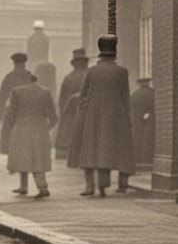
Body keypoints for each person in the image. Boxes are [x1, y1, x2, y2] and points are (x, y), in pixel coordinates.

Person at [67, 35, 135, 196]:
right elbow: (125, 95)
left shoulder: (92, 72)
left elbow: (83, 95)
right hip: (117, 113)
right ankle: (117, 184)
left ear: (100, 54)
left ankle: (90, 187)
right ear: (114, 54)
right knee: (118, 147)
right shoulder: (122, 72)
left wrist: (84, 111)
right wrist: (128, 117)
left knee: (91, 148)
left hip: (94, 113)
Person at [4, 74, 56, 198]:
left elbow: (11, 113)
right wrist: (46, 128)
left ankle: (28, 187)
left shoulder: (17, 92)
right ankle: (40, 186)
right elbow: (54, 117)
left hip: (21, 128)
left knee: (24, 157)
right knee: (38, 158)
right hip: (40, 128)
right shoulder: (45, 92)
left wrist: (8, 129)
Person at [54, 48, 89, 159]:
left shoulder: (68, 78)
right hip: (87, 112)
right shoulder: (90, 76)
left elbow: (62, 100)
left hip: (70, 114)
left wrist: (62, 113)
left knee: (69, 134)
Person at [0, 52, 32, 155]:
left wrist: (1, 114)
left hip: (14, 112)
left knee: (13, 136)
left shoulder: (9, 77)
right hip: (25, 112)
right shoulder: (29, 76)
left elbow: (2, 98)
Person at [131, 77, 156, 169]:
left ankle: (137, 160)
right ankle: (147, 160)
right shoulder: (153, 94)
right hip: (150, 122)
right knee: (148, 140)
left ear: (139, 84)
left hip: (136, 123)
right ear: (148, 83)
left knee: (137, 140)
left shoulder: (134, 95)